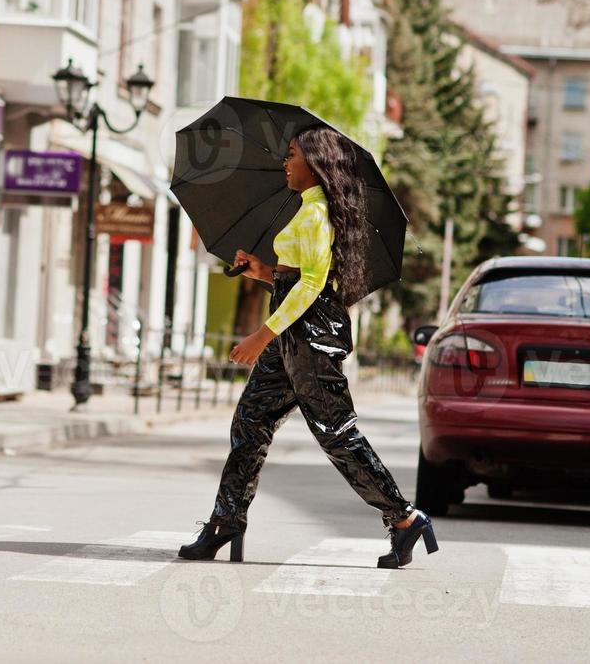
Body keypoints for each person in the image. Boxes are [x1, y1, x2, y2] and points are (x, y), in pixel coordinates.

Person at [178, 126, 434, 569]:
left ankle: (405, 519)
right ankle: (226, 521)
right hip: (295, 333)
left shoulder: (317, 215)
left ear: (315, 165)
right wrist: (262, 271)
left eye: (292, 154)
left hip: (310, 338)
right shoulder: (306, 211)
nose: (285, 162)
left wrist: (262, 335)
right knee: (250, 421)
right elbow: (296, 279)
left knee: (337, 434)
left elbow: (314, 285)